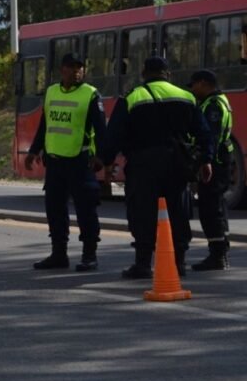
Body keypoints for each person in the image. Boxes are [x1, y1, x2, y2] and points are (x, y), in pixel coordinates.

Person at [102, 56, 214, 279]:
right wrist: (206, 159)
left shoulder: (132, 97)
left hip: (143, 165)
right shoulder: (186, 97)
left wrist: (107, 162)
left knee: (142, 212)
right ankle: (179, 262)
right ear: (168, 74)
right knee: (178, 211)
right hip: (177, 164)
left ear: (144, 73)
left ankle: (143, 263)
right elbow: (204, 132)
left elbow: (114, 134)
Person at [24, 53, 107, 271]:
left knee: (86, 210)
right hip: (55, 163)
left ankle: (90, 255)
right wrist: (33, 151)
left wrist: (103, 158)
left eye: (80, 67)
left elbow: (101, 130)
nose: (77, 71)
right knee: (55, 210)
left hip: (80, 162)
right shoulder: (51, 91)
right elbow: (45, 125)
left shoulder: (90, 94)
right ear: (62, 70)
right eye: (72, 67)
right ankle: (59, 254)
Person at [188, 69, 234, 271]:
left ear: (205, 84)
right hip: (221, 160)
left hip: (215, 163)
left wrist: (204, 162)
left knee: (210, 209)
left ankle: (217, 255)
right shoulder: (217, 101)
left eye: (195, 85)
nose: (193, 90)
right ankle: (221, 252)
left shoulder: (213, 105)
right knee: (217, 207)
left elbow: (211, 138)